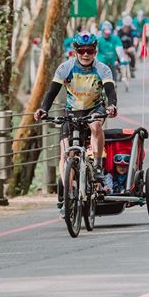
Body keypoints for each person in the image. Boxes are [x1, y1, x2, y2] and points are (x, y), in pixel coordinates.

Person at [33, 31, 118, 213]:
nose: (85, 54)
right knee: (65, 155)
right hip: (71, 112)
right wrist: (43, 109)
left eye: (90, 51)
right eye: (81, 51)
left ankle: (96, 165)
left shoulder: (103, 68)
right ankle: (69, 195)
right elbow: (52, 92)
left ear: (95, 51)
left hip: (94, 109)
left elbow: (110, 91)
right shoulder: (65, 68)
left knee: (96, 126)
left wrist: (112, 106)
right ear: (75, 51)